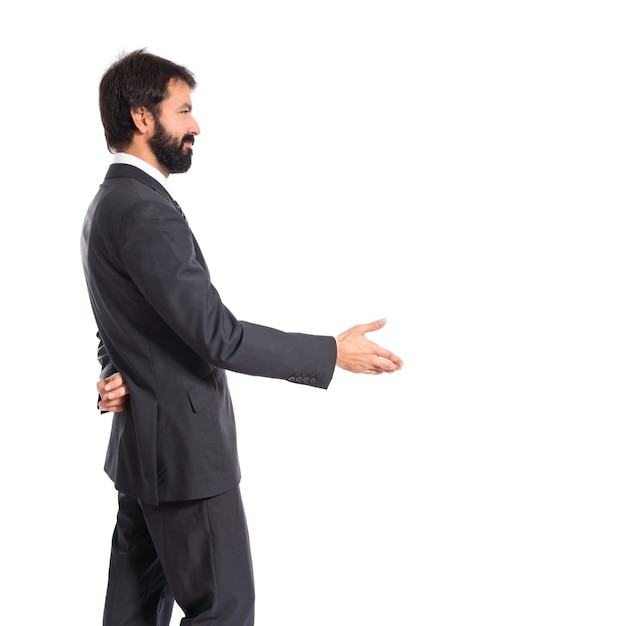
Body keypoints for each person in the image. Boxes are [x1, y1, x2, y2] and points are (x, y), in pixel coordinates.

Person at [81, 48, 403, 626]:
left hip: (143, 454)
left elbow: (122, 316)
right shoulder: (145, 211)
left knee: (131, 612)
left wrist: (114, 369)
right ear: (142, 117)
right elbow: (217, 335)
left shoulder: (107, 203)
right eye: (183, 111)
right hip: (184, 455)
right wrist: (330, 353)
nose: (196, 125)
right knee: (224, 610)